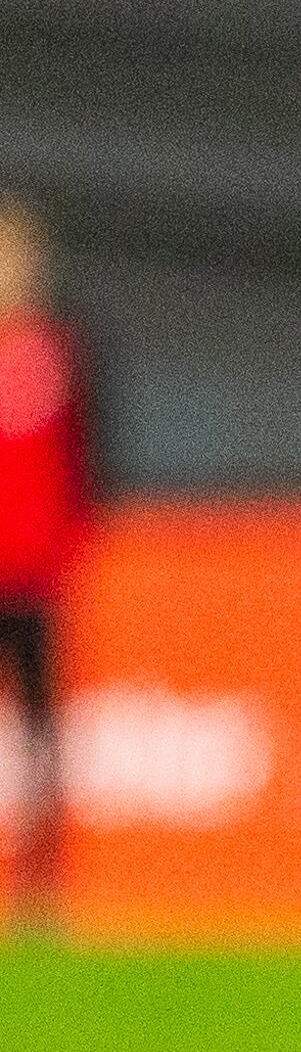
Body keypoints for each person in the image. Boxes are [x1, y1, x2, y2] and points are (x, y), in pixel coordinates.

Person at [0, 196, 97, 925]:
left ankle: (46, 886)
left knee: (41, 731)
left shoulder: (62, 350)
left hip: (36, 572)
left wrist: (74, 542)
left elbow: (86, 460)